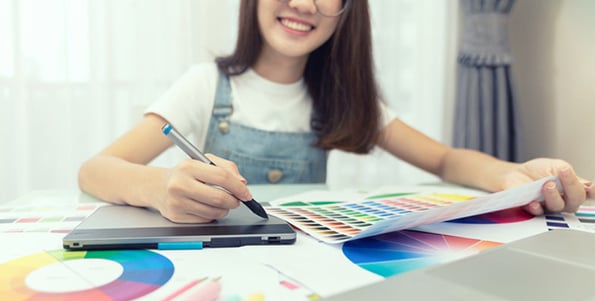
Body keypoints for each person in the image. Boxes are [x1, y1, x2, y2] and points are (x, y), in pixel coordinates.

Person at [78, 0, 593, 224]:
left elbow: (445, 161)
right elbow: (94, 171)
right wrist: (158, 190)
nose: (304, 5)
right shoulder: (205, 84)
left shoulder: (346, 97)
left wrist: (517, 176)